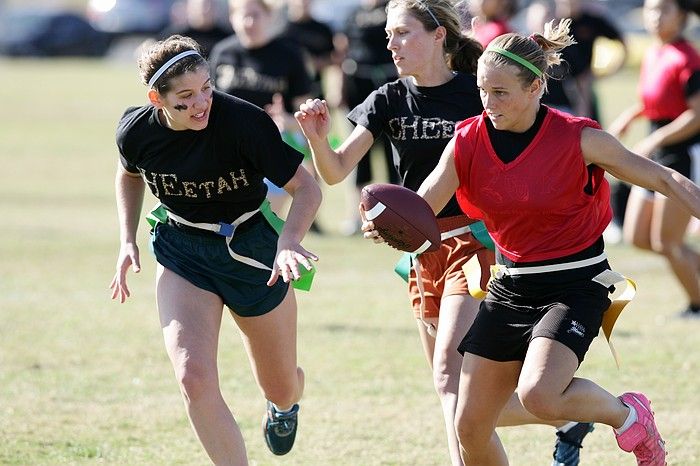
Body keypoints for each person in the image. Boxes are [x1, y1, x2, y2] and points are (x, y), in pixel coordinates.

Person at [296, 2, 591, 465]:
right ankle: (567, 416)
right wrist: (317, 138)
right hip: (419, 250)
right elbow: (334, 173)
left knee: (448, 376)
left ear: (438, 36)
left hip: (476, 245)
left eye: (403, 33)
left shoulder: (480, 93)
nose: (391, 44)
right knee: (456, 385)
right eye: (390, 35)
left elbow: (529, 147)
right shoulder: (387, 99)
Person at [410, 18, 700, 465]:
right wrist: (389, 221)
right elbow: (422, 205)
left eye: (501, 92)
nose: (488, 103)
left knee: (539, 395)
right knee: (468, 424)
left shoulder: (579, 138)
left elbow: (663, 178)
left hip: (576, 283)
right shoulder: (467, 141)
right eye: (483, 91)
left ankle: (629, 417)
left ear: (536, 87)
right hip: (510, 285)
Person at [109, 35, 321, 464]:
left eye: (206, 87)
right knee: (193, 377)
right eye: (186, 97)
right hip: (182, 247)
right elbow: (129, 174)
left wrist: (289, 240)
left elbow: (307, 188)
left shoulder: (243, 122)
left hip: (253, 249)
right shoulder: (136, 131)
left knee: (280, 384)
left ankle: (284, 405)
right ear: (157, 98)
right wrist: (127, 239)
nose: (203, 102)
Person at [609, 0, 700, 318]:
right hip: (656, 154)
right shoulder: (653, 52)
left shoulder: (687, 56)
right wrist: (630, 115)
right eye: (650, 9)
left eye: (663, 10)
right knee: (638, 236)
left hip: (681, 154)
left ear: (683, 16)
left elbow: (696, 114)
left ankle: (696, 306)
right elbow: (656, 99)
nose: (655, 16)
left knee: (668, 242)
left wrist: (655, 139)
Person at [209, 0, 318, 225]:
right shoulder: (223, 52)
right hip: (229, 148)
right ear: (232, 18)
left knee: (262, 220)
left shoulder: (288, 55)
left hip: (274, 145)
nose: (249, 22)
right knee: (230, 221)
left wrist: (287, 121)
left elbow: (306, 115)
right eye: (243, 16)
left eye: (256, 15)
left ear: (269, 18)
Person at [336, 0, 401, 235]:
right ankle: (358, 217)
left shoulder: (392, 10)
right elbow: (343, 52)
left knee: (391, 153)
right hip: (358, 88)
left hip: (387, 84)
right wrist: (340, 88)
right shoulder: (352, 13)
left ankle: (397, 214)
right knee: (359, 156)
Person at [160, 0, 232, 57]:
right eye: (201, 6)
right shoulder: (174, 37)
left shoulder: (226, 37)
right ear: (190, 8)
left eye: (209, 6)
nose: (205, 10)